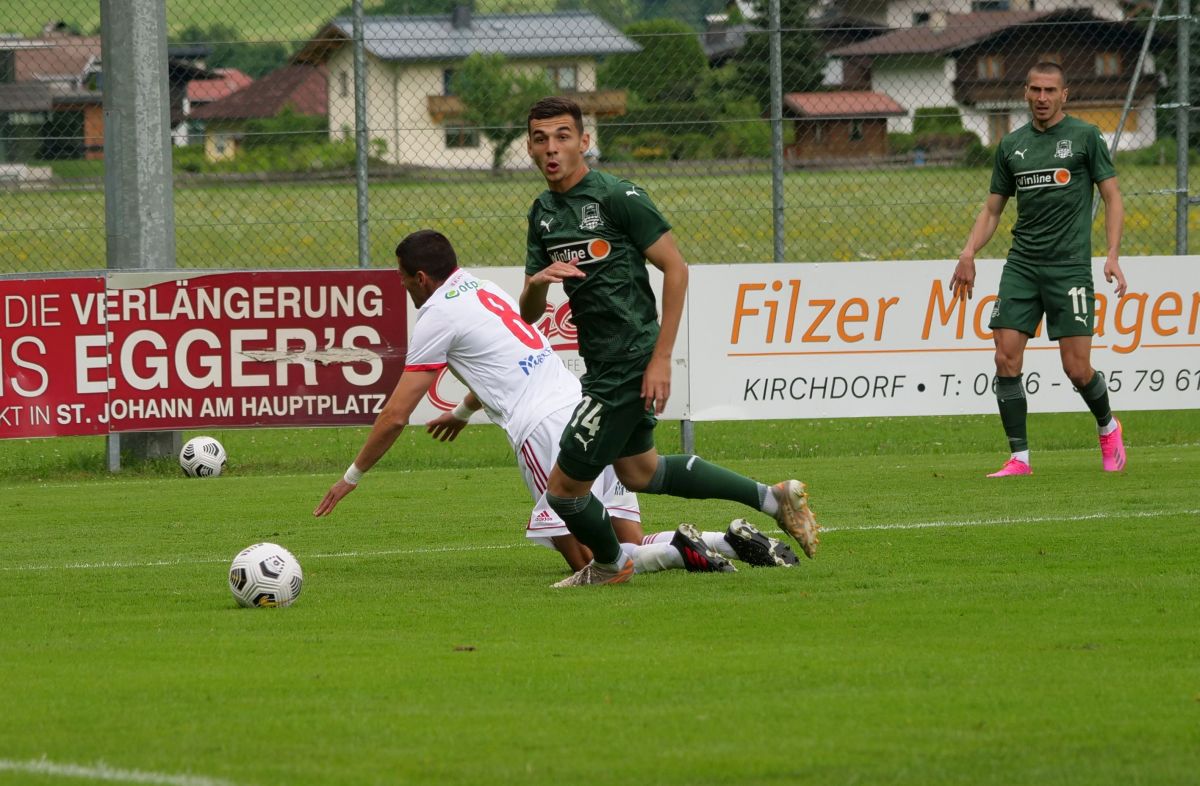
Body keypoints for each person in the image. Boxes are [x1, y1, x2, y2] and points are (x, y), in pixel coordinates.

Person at [313, 230, 801, 577]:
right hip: (582, 408)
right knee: (627, 542)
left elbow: (396, 415)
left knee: (592, 563)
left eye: (402, 278)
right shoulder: (480, 287)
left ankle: (680, 551)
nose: (402, 285)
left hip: (540, 428)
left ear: (420, 277)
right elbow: (505, 361)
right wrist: (463, 412)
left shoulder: (436, 315)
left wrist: (349, 477)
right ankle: (725, 541)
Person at [520, 96, 820, 588]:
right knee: (641, 472)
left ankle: (612, 566)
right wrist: (537, 283)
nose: (551, 148)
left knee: (564, 493)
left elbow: (676, 268)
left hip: (628, 362)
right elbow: (530, 313)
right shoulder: (543, 214)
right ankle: (773, 498)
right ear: (530, 148)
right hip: (602, 364)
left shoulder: (617, 196)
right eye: (541, 139)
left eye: (562, 136)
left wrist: (661, 358)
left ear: (584, 141)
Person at [949, 62, 1128, 478]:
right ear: (1026, 93)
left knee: (1077, 369)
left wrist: (1113, 254)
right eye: (1035, 90)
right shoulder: (1012, 145)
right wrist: (969, 251)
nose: (1042, 98)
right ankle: (1020, 458)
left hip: (1069, 269)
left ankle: (1108, 427)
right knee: (1005, 356)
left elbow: (1113, 197)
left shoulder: (1085, 137)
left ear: (1064, 95)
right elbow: (993, 209)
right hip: (1022, 266)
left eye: (1050, 90)